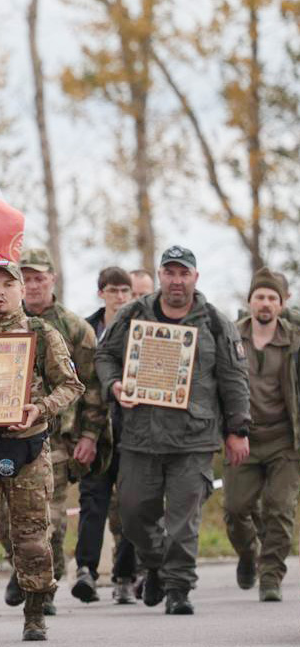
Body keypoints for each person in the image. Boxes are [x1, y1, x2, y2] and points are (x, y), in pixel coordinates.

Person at [96, 245, 251, 615]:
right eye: (170, 272)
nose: (176, 280)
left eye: (184, 273)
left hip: (193, 438)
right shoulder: (135, 313)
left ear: (195, 278)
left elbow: (233, 378)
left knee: (184, 521)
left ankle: (179, 587)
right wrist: (115, 385)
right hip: (140, 436)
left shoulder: (214, 322)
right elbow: (105, 355)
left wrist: (237, 429)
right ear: (160, 275)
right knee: (133, 513)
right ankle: (154, 565)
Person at [0, 260, 84, 644]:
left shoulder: (41, 333)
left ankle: (35, 612)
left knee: (31, 536)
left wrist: (40, 408)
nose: (0, 291)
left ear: (22, 290)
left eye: (9, 284)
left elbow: (70, 385)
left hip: (28, 449)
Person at [0, 248, 104, 616]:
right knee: (3, 521)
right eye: (25, 278)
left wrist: (89, 436)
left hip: (58, 439)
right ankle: (26, 569)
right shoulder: (3, 324)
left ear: (52, 280)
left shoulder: (76, 329)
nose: (33, 285)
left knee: (52, 522)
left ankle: (43, 586)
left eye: (40, 277)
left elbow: (91, 387)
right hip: (5, 436)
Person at [224, 267, 300, 603]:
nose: (265, 303)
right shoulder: (229, 336)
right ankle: (247, 552)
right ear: (250, 301)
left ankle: (271, 575)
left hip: (285, 438)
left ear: (283, 304)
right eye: (260, 297)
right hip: (243, 436)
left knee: (279, 508)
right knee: (236, 509)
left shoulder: (294, 341)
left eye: (272, 297)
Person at [73, 266, 138, 605]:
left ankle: (126, 576)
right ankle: (85, 570)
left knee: (129, 505)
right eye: (113, 290)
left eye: (125, 291)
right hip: (95, 430)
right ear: (102, 293)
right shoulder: (86, 330)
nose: (120, 297)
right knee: (92, 502)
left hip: (131, 430)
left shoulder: (139, 330)